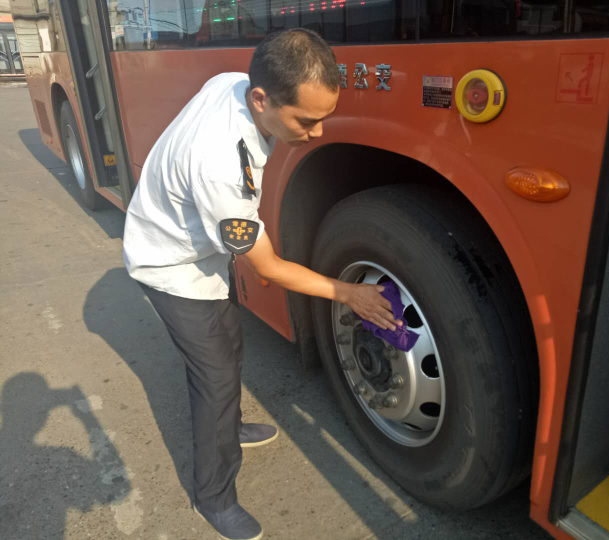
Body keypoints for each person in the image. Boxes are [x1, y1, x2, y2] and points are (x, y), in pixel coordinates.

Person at [122, 28, 401, 540]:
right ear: (261, 99)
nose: (317, 133)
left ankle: (230, 428)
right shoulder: (219, 167)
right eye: (306, 121)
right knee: (215, 379)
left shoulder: (233, 82)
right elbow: (267, 267)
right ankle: (214, 495)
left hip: (200, 247)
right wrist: (348, 293)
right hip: (169, 264)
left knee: (229, 345)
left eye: (323, 117)